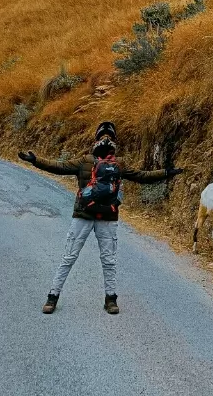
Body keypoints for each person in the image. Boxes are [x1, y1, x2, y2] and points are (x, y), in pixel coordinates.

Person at [18, 120, 183, 315]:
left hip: (84, 215)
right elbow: (142, 176)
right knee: (108, 259)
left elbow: (59, 167)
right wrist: (166, 173)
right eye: (106, 136)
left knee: (71, 257)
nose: (106, 139)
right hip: (107, 216)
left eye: (107, 136)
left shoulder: (86, 161)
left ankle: (53, 297)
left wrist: (35, 160)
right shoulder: (111, 163)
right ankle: (109, 299)